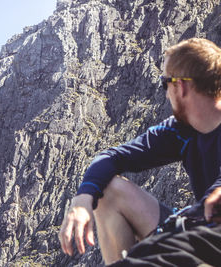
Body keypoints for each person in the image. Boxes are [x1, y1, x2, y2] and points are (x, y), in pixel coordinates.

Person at [58, 38, 221, 265]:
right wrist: (82, 200)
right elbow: (112, 157)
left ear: (180, 86)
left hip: (210, 233)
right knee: (109, 190)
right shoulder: (180, 130)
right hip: (195, 225)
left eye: (165, 83)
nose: (165, 95)